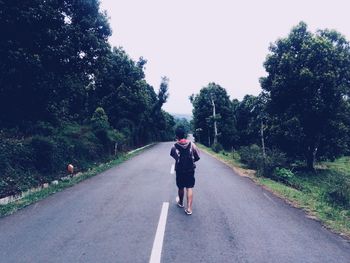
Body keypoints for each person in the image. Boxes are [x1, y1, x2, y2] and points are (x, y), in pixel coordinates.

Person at [170, 127, 200, 215]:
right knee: (189, 187)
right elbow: (197, 156)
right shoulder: (192, 144)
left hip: (179, 170)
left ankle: (181, 202)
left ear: (176, 136)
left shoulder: (174, 146)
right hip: (190, 169)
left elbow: (174, 156)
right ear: (185, 135)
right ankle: (189, 209)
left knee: (180, 187)